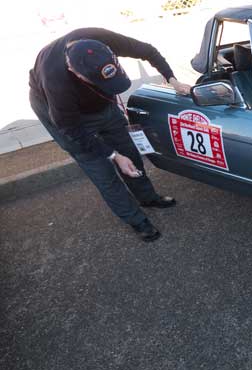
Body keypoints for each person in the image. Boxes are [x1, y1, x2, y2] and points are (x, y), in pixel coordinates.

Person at [29, 28, 192, 242]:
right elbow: (71, 129)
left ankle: (147, 197)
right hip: (62, 116)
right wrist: (113, 155)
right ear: (75, 72)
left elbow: (149, 51)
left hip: (100, 104)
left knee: (129, 152)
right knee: (100, 168)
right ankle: (136, 220)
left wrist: (173, 80)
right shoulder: (56, 82)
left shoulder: (99, 39)